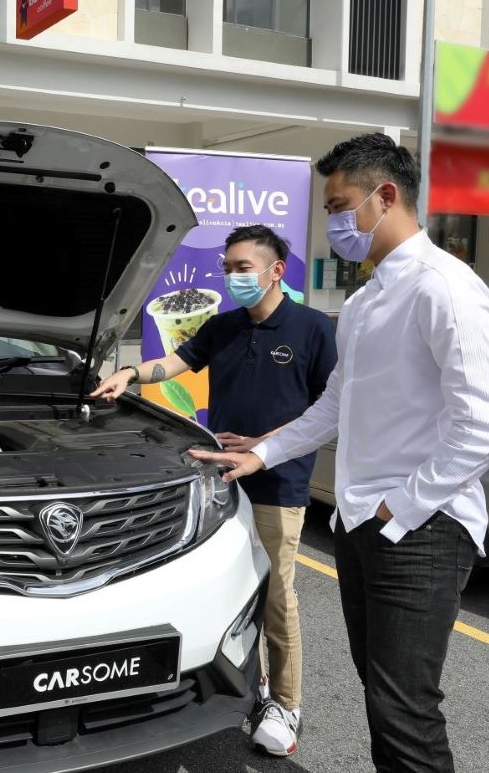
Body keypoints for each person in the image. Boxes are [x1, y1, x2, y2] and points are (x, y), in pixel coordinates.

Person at [191, 133, 489, 773]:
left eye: (341, 205)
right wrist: (264, 454)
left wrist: (401, 507)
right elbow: (335, 406)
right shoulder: (367, 300)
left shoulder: (443, 287)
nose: (334, 223)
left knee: (405, 710)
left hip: (420, 527)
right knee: (383, 699)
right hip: (361, 522)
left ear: (385, 196)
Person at [92, 224, 336, 756]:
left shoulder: (314, 329)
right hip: (217, 483)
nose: (232, 276)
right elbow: (175, 362)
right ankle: (232, 680)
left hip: (278, 484)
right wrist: (130, 374)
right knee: (223, 588)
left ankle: (286, 703)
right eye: (227, 268)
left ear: (276, 271)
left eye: (242, 268)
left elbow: (327, 412)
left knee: (276, 595)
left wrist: (262, 444)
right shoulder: (222, 326)